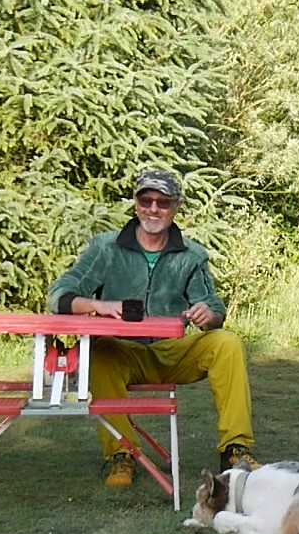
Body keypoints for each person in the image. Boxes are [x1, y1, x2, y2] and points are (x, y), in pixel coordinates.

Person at [47, 169, 260, 486]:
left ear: (177, 206)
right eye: (146, 200)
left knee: (226, 342)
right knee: (100, 351)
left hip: (172, 351)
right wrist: (98, 305)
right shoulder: (106, 248)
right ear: (135, 203)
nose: (153, 209)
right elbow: (59, 294)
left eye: (163, 202)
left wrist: (207, 315)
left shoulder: (192, 255)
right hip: (120, 351)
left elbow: (214, 307)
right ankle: (121, 454)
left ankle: (235, 450)